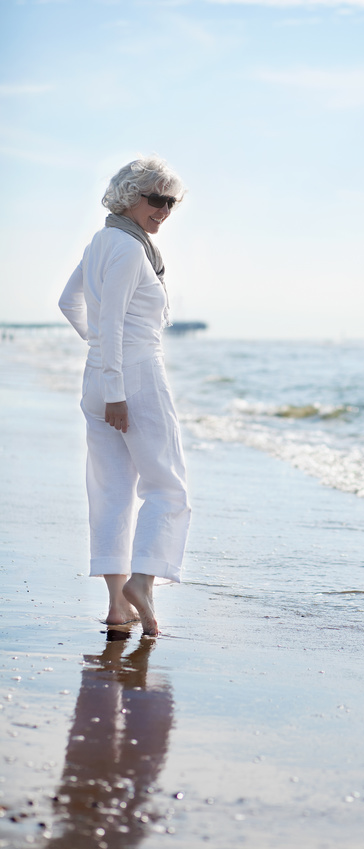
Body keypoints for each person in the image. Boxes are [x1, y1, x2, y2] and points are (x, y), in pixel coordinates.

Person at [59, 155, 191, 636]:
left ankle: (118, 607)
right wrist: (116, 384)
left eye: (171, 202)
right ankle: (142, 583)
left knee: (112, 491)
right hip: (132, 379)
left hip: (101, 379)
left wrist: (98, 356)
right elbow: (111, 321)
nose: (164, 210)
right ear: (130, 196)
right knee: (168, 487)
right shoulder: (129, 250)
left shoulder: (103, 241)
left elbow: (68, 302)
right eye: (156, 199)